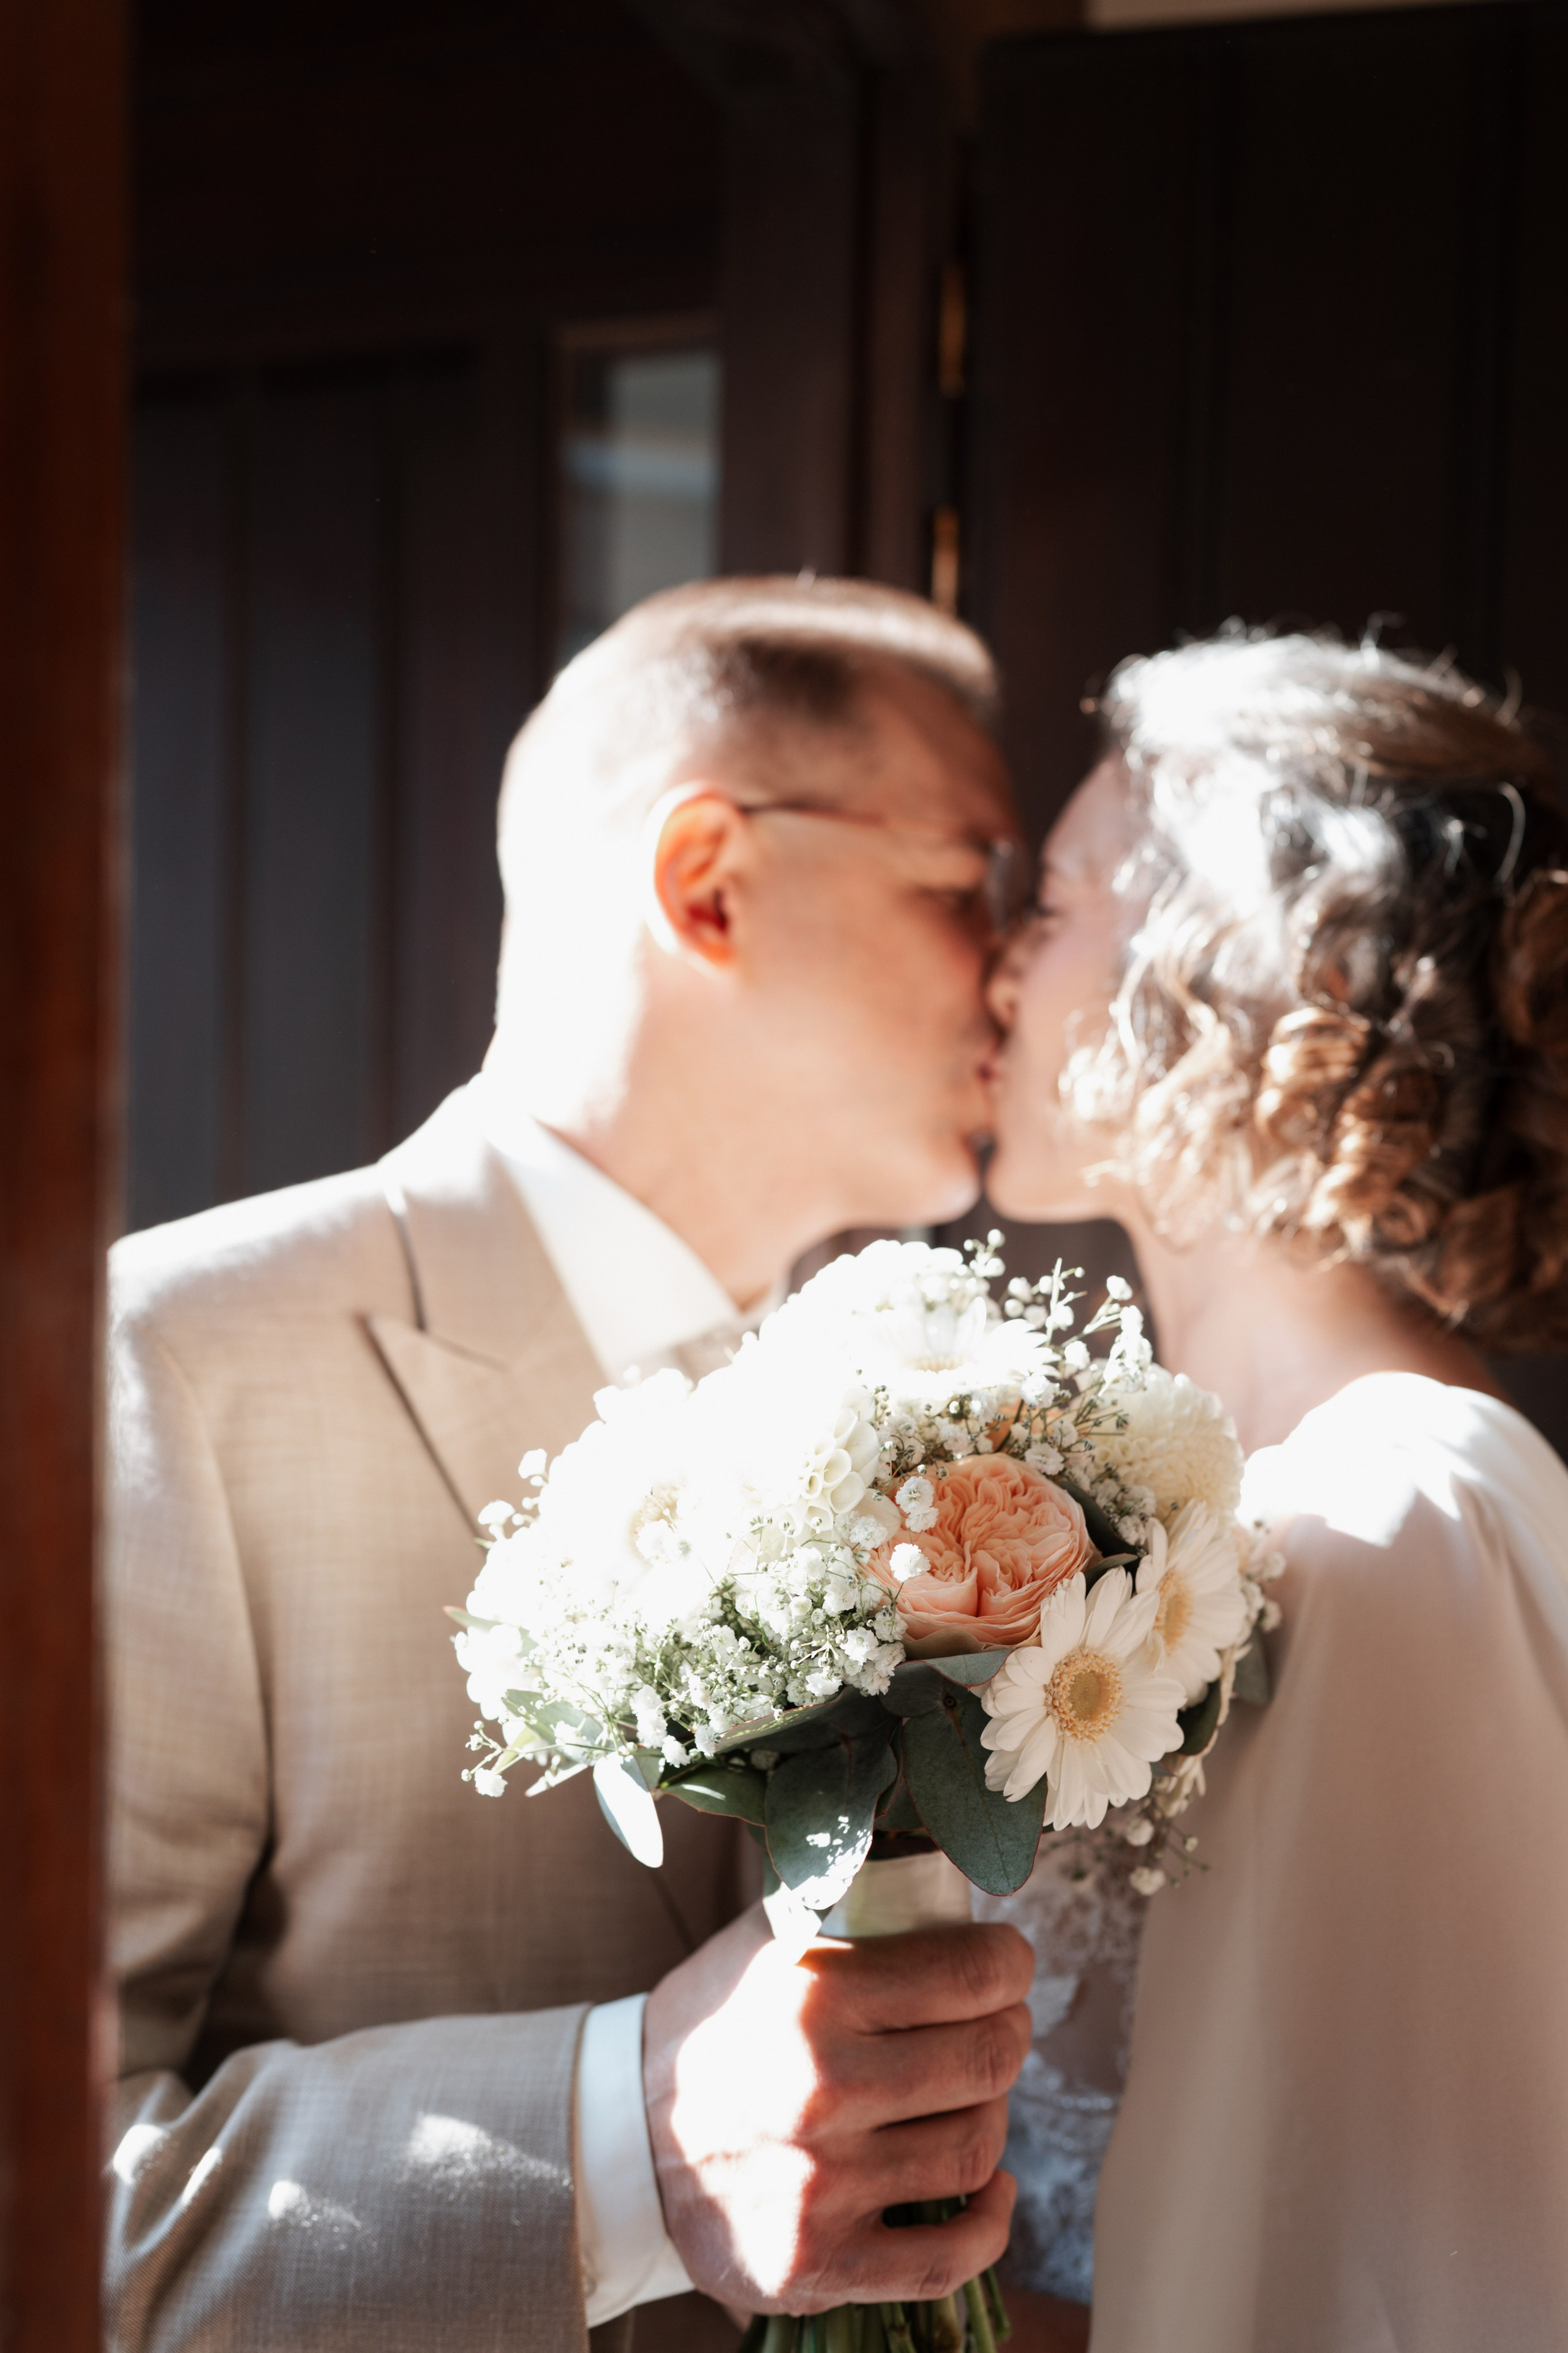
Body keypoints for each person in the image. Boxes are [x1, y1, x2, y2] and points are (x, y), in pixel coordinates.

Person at [105, 576, 1039, 2351]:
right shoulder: (174, 1367)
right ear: (711, 880)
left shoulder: (960, 1439)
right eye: (961, 881)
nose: (1012, 956)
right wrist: (630, 2143)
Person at [981, 627, 1568, 2349]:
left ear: (1225, 966)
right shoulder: (1222, 1509)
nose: (1000, 964)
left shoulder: (1397, 1524)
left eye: (1057, 897)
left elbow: (1378, 2275)